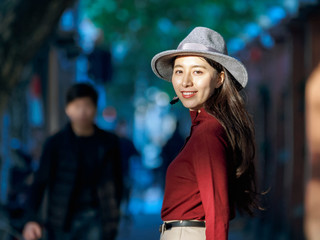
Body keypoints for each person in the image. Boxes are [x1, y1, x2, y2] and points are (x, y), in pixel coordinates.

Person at [151, 27, 259, 240]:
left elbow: (217, 210)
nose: (185, 82)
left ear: (219, 79)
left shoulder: (208, 133)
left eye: (197, 71)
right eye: (179, 71)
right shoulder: (201, 129)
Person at [22, 83, 123, 240]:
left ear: (95, 108)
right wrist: (30, 219)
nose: (82, 111)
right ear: (68, 109)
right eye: (77, 106)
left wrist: (113, 216)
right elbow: (39, 182)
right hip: (61, 219)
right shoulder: (55, 143)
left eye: (87, 106)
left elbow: (117, 182)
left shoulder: (108, 143)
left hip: (96, 217)